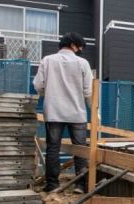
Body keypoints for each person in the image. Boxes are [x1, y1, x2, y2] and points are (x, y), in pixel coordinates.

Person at [34, 33, 93, 191]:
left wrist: (50, 93)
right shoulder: (83, 63)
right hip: (77, 113)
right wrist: (94, 110)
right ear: (73, 45)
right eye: (79, 47)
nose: (80, 50)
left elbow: (38, 85)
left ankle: (52, 184)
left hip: (54, 112)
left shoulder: (47, 60)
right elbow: (88, 91)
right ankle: (81, 185)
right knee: (80, 148)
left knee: (53, 148)